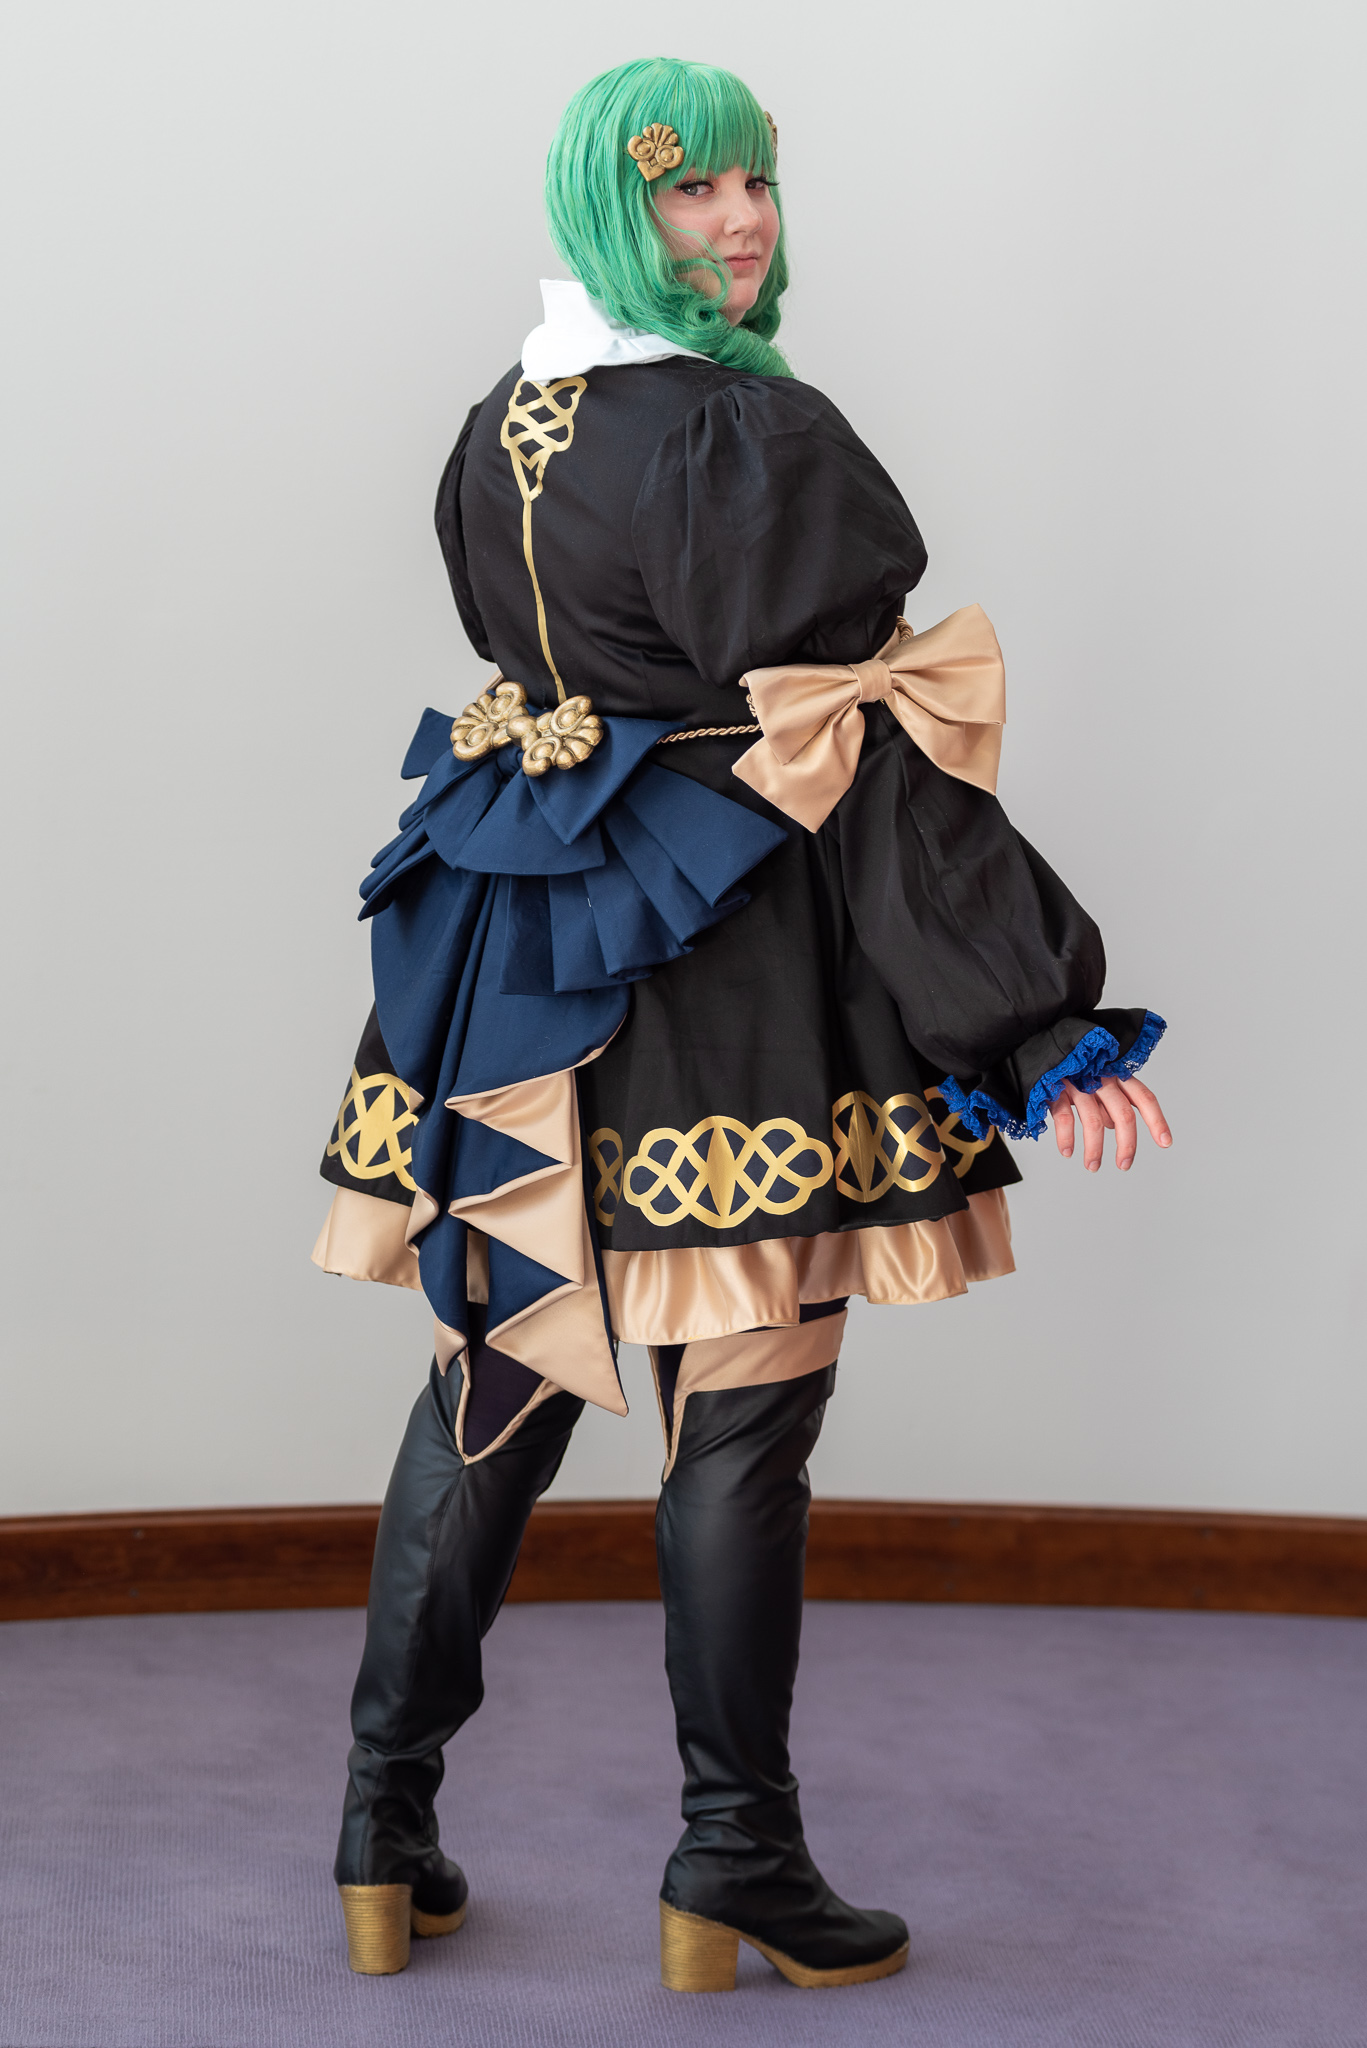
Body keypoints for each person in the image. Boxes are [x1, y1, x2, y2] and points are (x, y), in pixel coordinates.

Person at [312, 55, 1171, 1993]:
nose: (742, 222)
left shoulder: (496, 426)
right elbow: (867, 755)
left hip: (515, 938)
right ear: (616, 209)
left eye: (756, 183)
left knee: (494, 1376)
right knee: (740, 1421)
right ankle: (733, 1860)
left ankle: (380, 1824)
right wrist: (1035, 1020)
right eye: (693, 190)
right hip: (728, 964)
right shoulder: (743, 431)